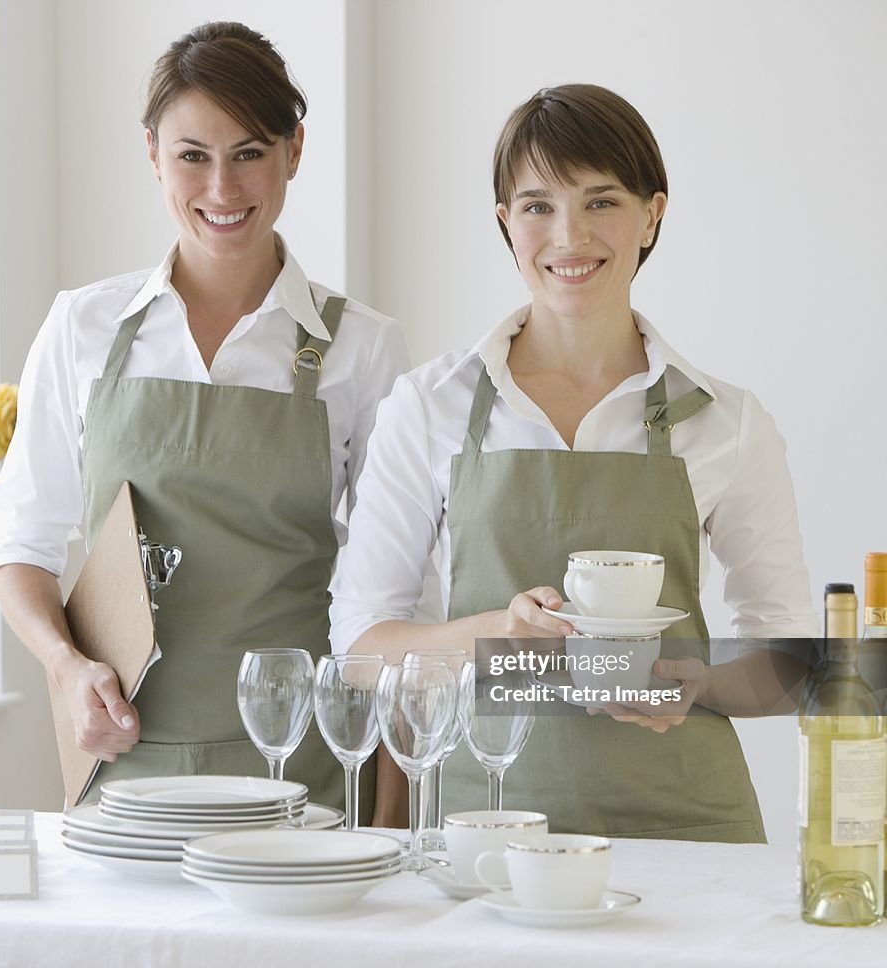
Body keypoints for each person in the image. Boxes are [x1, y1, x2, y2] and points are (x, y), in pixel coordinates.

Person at [330, 84, 816, 841]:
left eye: (601, 201)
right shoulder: (430, 406)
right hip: (483, 823)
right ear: (505, 221)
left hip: (685, 831)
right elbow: (360, 649)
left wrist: (705, 683)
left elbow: (787, 653)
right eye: (536, 206)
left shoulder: (726, 420)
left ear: (652, 213)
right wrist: (495, 632)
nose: (568, 235)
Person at [0, 22, 408, 811]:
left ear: (294, 151)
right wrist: (68, 670)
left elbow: (394, 598)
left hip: (298, 772)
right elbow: (22, 542)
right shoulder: (83, 328)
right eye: (192, 156)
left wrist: (390, 816)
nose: (221, 190)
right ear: (152, 155)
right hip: (123, 764)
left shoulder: (361, 348)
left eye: (249, 153)